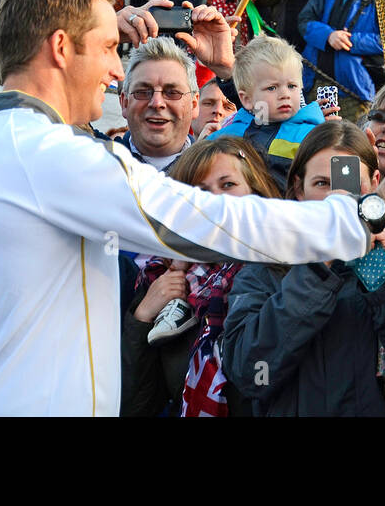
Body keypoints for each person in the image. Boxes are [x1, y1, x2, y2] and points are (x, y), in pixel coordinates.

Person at [0, 0, 385, 415]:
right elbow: (208, 224)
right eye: (109, 47)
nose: (113, 68)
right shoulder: (47, 156)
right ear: (61, 47)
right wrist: (358, 216)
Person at [223, 120, 385, 416]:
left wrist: (379, 273)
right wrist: (320, 264)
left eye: (349, 184)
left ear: (376, 184)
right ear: (299, 189)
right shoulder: (266, 268)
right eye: (322, 184)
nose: (337, 199)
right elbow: (252, 375)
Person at [121, 136, 283, 417]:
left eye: (228, 185)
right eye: (201, 191)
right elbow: (138, 406)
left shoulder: (283, 268)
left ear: (255, 191)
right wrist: (142, 317)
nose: (215, 201)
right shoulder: (161, 276)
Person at [213, 33, 325, 190]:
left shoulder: (315, 137)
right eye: (272, 88)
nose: (285, 94)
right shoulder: (224, 138)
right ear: (246, 99)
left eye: (292, 86)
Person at [300, 0, 383, 120]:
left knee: (350, 142)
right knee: (313, 137)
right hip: (315, 78)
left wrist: (350, 41)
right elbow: (304, 20)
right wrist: (328, 36)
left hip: (353, 87)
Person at [116, 36, 200, 172]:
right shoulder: (96, 164)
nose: (157, 103)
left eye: (172, 93)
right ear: (124, 103)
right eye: (143, 92)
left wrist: (225, 71)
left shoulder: (218, 173)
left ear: (194, 104)